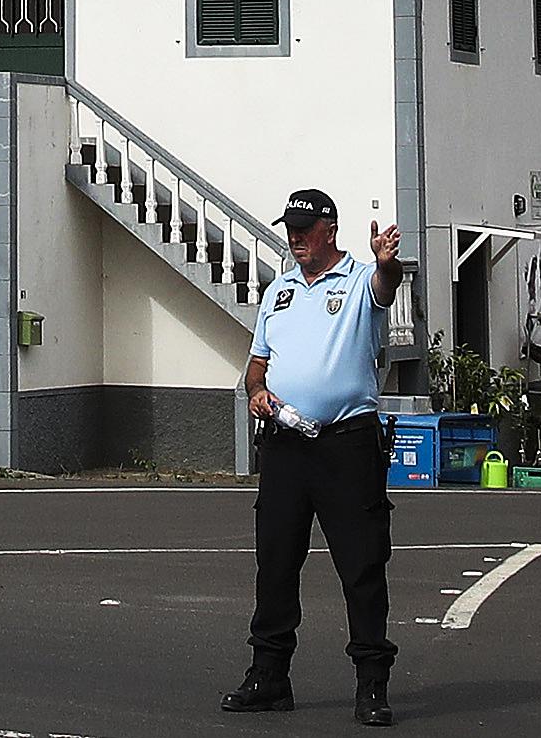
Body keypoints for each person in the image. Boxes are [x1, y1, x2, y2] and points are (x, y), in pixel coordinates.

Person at [224, 190, 406, 727]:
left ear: (330, 228)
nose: (295, 236)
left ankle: (372, 684)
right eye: (290, 227)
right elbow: (257, 365)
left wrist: (386, 265)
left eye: (305, 227)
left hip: (346, 443)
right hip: (285, 444)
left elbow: (384, 288)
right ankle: (269, 676)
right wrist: (257, 392)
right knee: (275, 563)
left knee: (362, 565)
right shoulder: (277, 292)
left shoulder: (358, 282)